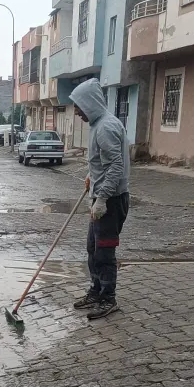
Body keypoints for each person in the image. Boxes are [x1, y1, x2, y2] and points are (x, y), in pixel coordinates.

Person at [68, 78, 130, 320]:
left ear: (90, 103)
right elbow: (103, 162)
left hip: (111, 201)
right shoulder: (98, 124)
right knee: (92, 248)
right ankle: (96, 290)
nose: (76, 112)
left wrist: (102, 197)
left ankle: (108, 298)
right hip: (102, 194)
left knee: (104, 252)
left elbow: (116, 165)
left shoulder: (105, 127)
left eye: (78, 106)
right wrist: (91, 177)